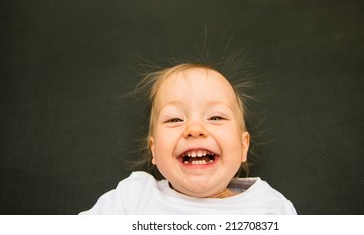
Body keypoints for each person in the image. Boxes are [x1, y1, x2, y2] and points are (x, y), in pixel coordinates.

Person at [80, 63, 297, 214]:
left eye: (215, 117)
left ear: (243, 147)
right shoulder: (134, 195)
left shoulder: (270, 206)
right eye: (174, 119)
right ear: (154, 150)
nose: (194, 129)